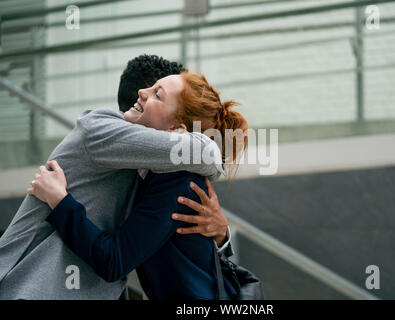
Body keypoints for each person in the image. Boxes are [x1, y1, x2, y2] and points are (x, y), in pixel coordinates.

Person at [0, 55, 231, 300]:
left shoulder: (161, 172)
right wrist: (61, 202)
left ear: (176, 131)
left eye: (157, 94)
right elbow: (207, 152)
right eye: (150, 89)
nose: (143, 93)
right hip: (29, 288)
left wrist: (222, 236)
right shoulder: (98, 127)